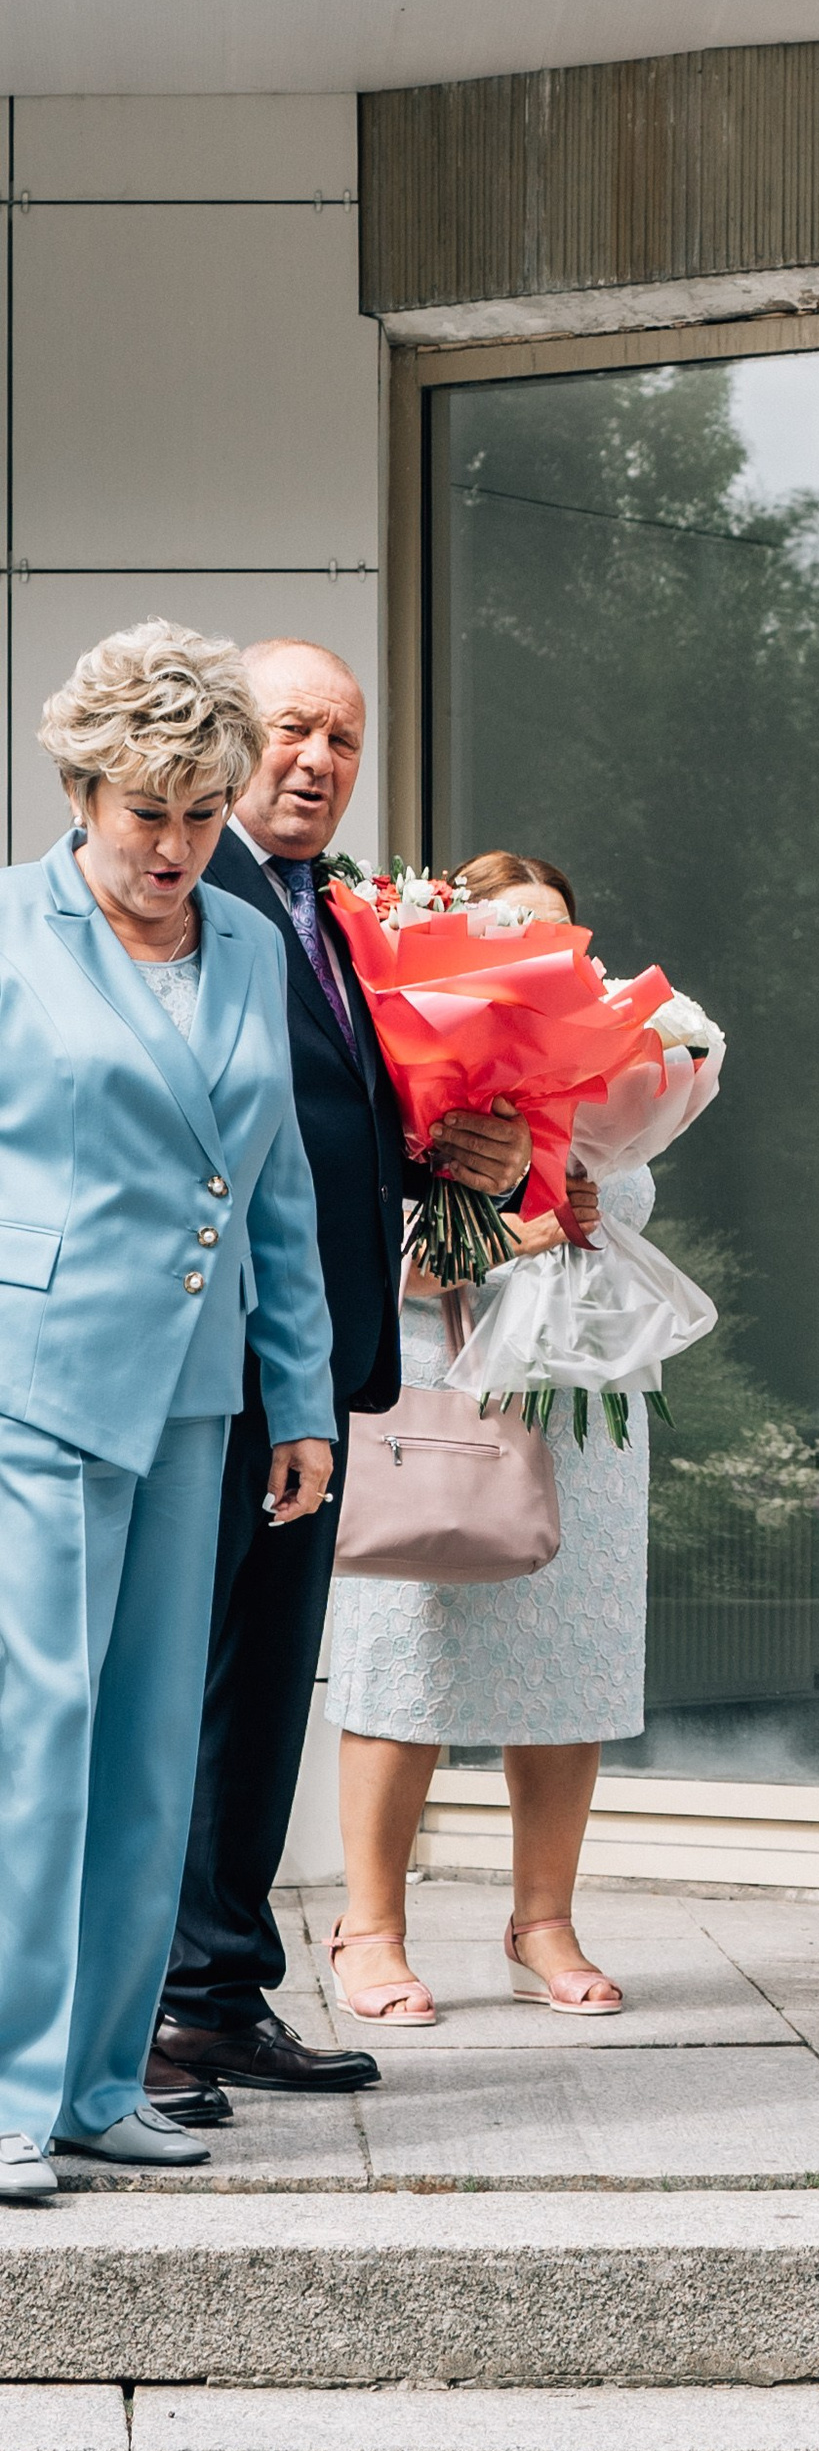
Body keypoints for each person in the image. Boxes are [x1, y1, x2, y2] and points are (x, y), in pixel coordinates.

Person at [150, 645, 528, 2119]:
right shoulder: (188, 895)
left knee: (259, 1693)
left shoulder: (347, 912)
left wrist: (469, 1152)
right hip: (210, 1360)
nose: (317, 760)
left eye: (345, 740)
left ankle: (218, 1994)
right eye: (293, 730)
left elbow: (347, 1116)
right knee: (181, 1686)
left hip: (317, 1370)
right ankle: (149, 2008)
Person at [0, 624, 337, 2207]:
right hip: (37, 1379)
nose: (175, 848)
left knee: (148, 1757)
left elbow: (276, 1188)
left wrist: (302, 1394)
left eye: (203, 815)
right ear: (82, 791)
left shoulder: (251, 945)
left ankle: (97, 2084)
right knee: (37, 1744)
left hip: (198, 1399)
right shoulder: (12, 932)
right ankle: (9, 2084)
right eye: (148, 812)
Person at [327, 854, 636, 2027]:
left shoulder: (612, 1065)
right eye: (507, 929)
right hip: (435, 1399)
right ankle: (369, 1929)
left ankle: (541, 1924)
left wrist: (568, 1195)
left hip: (571, 1402)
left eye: (553, 932)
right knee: (406, 1656)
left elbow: (624, 1210)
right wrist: (523, 1228)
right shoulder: (402, 1064)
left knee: (569, 1667)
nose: (533, 950)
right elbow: (380, 1253)